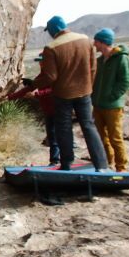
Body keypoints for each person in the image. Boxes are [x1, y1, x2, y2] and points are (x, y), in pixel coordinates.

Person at [34, 15, 109, 171]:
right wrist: (89, 86)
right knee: (89, 126)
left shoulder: (52, 48)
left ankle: (67, 163)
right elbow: (93, 68)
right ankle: (101, 164)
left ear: (53, 30)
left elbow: (50, 76)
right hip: (85, 92)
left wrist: (34, 85)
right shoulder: (85, 40)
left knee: (64, 128)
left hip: (63, 95)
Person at [91, 28, 129, 172]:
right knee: (101, 137)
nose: (94, 44)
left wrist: (112, 96)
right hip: (98, 105)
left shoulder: (121, 58)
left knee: (115, 137)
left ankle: (121, 167)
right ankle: (107, 162)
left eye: (96, 41)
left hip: (113, 106)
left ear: (102, 42)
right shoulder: (100, 61)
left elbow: (125, 82)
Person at [8, 56, 59, 165]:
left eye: (42, 61)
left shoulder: (54, 75)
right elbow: (28, 89)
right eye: (40, 62)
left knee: (55, 136)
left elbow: (54, 90)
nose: (40, 64)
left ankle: (57, 161)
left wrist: (36, 94)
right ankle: (55, 161)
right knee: (52, 135)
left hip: (58, 110)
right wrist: (10, 97)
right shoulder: (42, 76)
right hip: (48, 110)